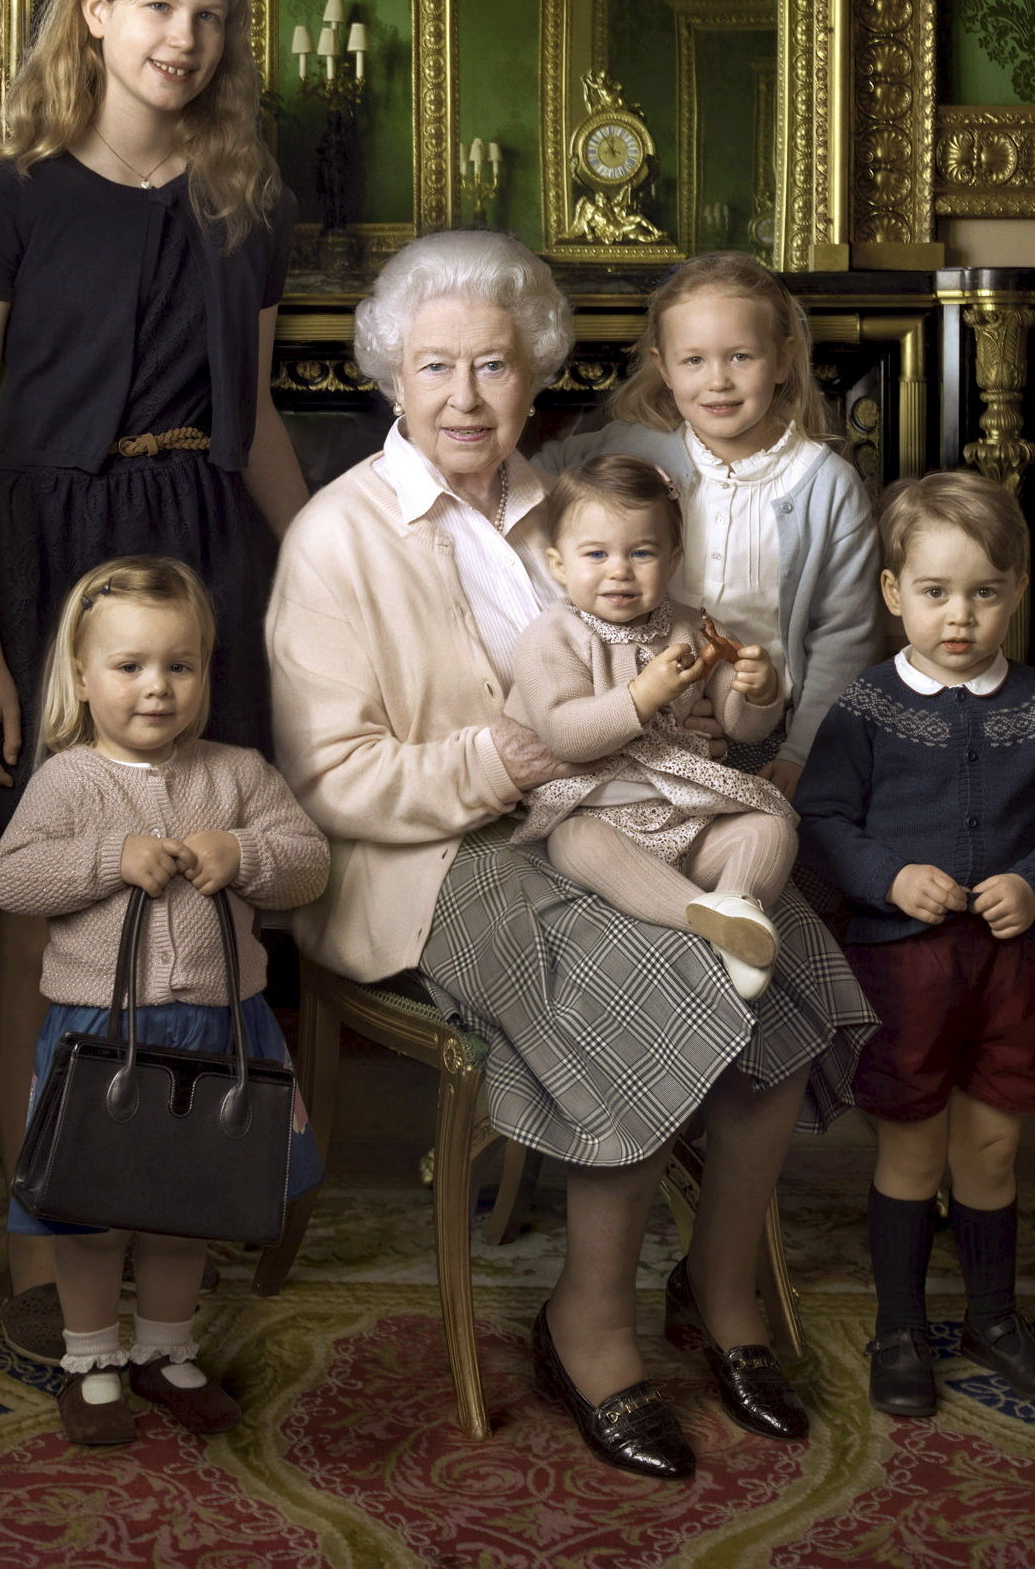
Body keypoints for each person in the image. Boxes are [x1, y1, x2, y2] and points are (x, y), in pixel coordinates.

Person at [268, 233, 872, 1481]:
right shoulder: (338, 537)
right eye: (434, 365)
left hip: (607, 817)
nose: (464, 396)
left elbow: (667, 691)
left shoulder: (577, 505)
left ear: (534, 373)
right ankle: (585, 1322)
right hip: (431, 854)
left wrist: (726, 701)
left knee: (787, 955)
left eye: (493, 364)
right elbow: (334, 783)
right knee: (648, 972)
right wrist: (509, 763)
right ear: (390, 376)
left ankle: (719, 1291)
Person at [0, 0, 314, 1360]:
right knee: (54, 898)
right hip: (48, 560)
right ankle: (49, 1228)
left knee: (213, 878)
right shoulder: (9, 197)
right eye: (158, 7)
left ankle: (188, 1198)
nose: (185, 39)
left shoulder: (243, 203)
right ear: (94, 10)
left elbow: (261, 414)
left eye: (209, 17)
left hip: (205, 544)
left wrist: (323, 560)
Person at [0, 556, 330, 1449]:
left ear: (207, 672)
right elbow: (14, 877)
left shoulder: (240, 774)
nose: (157, 687)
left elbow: (309, 860)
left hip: (221, 1031)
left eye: (181, 665)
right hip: (101, 1033)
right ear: (81, 675)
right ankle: (92, 1356)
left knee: (192, 1205)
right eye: (130, 665)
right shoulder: (68, 782)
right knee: (92, 1211)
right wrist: (110, 857)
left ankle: (166, 1349)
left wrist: (244, 855)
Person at [795, 470, 1035, 1421]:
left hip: (1015, 968)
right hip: (906, 968)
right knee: (911, 1149)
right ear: (894, 593)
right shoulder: (866, 707)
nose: (958, 616)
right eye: (934, 592)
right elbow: (821, 818)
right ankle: (899, 1325)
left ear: (1016, 588)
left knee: (995, 1144)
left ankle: (994, 1317)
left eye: (982, 591)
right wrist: (888, 876)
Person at [541, 251, 886, 784]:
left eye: (741, 356)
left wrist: (801, 753)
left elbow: (844, 641)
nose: (717, 381)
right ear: (663, 367)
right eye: (693, 360)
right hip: (638, 711)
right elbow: (532, 482)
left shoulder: (827, 487)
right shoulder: (633, 448)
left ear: (784, 359)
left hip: (767, 725)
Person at [503, 453, 799, 996]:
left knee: (771, 828)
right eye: (596, 554)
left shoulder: (691, 626)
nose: (619, 570)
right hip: (598, 804)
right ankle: (707, 919)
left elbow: (741, 730)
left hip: (685, 809)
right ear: (559, 564)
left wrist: (758, 692)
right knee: (574, 844)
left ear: (673, 559)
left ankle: (738, 902)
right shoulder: (552, 637)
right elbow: (563, 732)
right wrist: (641, 696)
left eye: (641, 553)